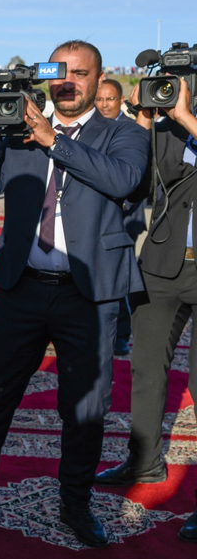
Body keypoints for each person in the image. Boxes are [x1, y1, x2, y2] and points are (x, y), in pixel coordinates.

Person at [0, 41, 149, 548]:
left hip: (89, 292)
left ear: (98, 78)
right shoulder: (20, 132)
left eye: (80, 74)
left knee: (85, 405)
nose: (69, 83)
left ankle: (75, 503)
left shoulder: (122, 133)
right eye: (60, 74)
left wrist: (53, 140)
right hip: (22, 285)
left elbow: (124, 180)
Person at [96, 77, 197, 542]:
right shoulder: (166, 123)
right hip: (162, 261)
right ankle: (144, 461)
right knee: (145, 366)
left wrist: (186, 118)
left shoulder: (184, 118)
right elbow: (139, 181)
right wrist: (144, 118)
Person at [93, 77, 141, 355]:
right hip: (95, 216)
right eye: (99, 99)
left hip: (127, 217)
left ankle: (121, 334)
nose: (104, 104)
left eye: (109, 99)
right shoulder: (91, 130)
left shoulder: (131, 129)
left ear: (120, 100)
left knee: (119, 279)